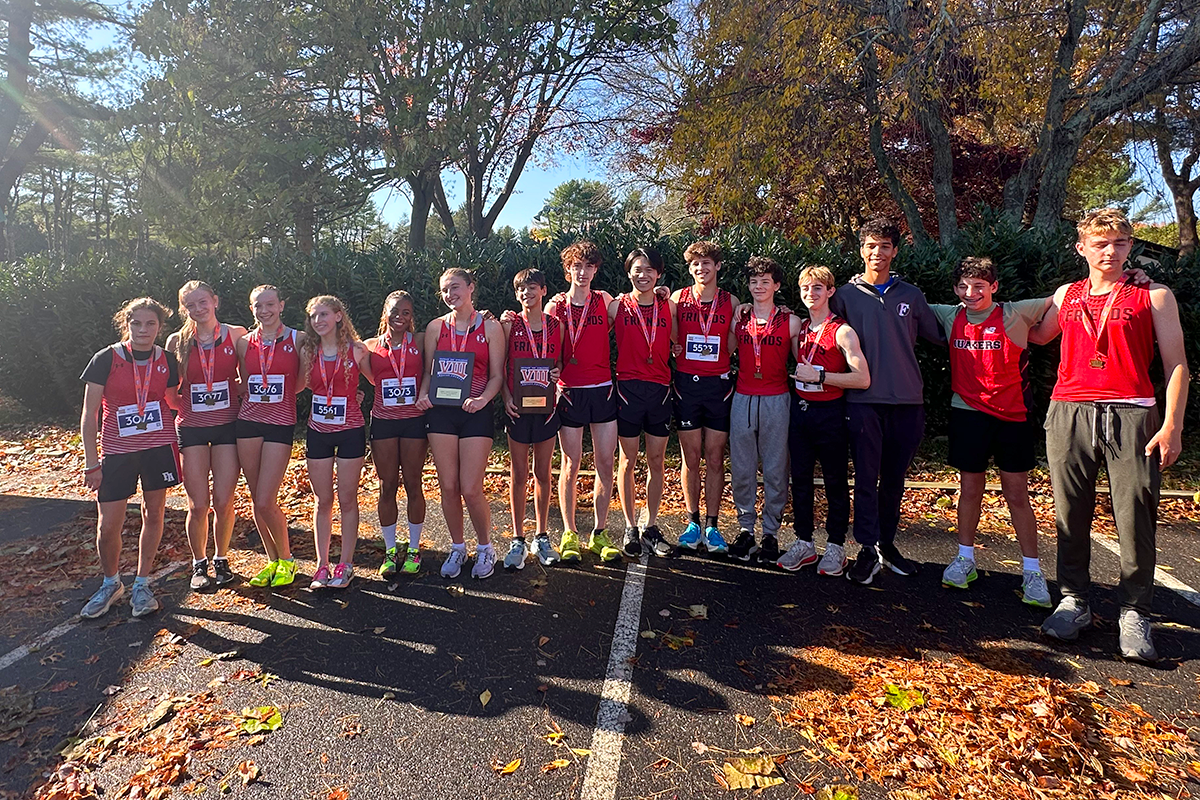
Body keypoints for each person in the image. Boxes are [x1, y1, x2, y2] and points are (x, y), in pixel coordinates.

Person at [1034, 208, 1189, 662]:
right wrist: (985, 308)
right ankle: (1073, 600)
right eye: (1100, 243)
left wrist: (1172, 424)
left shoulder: (1153, 295)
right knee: (1069, 512)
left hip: (1132, 412)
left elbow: (1177, 364)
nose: (1110, 251)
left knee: (1135, 514)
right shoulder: (1066, 294)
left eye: (1119, 243)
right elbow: (1038, 335)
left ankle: (1135, 611)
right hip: (1070, 410)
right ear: (1081, 247)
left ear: (1130, 247)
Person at [927, 257, 1052, 607]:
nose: (971, 292)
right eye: (964, 286)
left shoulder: (1016, 313)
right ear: (955, 289)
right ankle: (965, 559)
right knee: (970, 489)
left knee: (1017, 494)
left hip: (1012, 416)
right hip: (968, 414)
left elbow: (1063, 296)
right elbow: (903, 305)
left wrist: (1130, 276)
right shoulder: (950, 315)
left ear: (994, 286)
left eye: (979, 286)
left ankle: (1032, 571)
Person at [830, 218, 945, 585]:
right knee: (866, 478)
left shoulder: (911, 295)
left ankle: (887, 545)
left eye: (884, 246)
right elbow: (819, 327)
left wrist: (990, 313)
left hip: (908, 402)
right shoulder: (843, 296)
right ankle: (866, 548)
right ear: (861, 250)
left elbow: (942, 333)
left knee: (894, 480)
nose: (876, 252)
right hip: (863, 402)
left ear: (895, 251)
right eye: (870, 245)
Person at [79, 298, 181, 618]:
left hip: (158, 446)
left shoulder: (167, 359)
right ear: (126, 324)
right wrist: (92, 463)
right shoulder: (106, 358)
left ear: (159, 327)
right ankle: (111, 583)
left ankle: (141, 583)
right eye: (136, 323)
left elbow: (173, 401)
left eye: (150, 324)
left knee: (154, 514)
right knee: (108, 525)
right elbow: (89, 414)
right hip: (117, 451)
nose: (143, 330)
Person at [777, 266, 870, 576]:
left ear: (830, 291)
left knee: (834, 481)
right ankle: (804, 541)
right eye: (805, 288)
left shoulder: (842, 331)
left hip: (830, 413)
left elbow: (862, 378)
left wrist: (821, 377)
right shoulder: (800, 327)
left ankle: (836, 546)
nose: (811, 293)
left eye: (817, 288)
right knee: (800, 480)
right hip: (801, 412)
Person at [417, 268, 506, 580]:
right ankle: (457, 547)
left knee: (470, 487)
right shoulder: (435, 327)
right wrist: (423, 394)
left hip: (475, 411)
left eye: (455, 287)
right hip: (442, 412)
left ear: (471, 288)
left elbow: (497, 375)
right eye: (444, 289)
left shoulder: (490, 327)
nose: (449, 294)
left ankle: (485, 546)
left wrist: (483, 400)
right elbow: (429, 372)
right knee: (449, 486)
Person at [167, 281, 247, 591]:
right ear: (183, 309)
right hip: (192, 427)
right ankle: (198, 562)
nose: (198, 309)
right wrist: (190, 408)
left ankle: (221, 558)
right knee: (198, 504)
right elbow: (170, 392)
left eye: (203, 302)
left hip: (227, 425)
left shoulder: (236, 334)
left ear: (215, 300)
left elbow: (248, 379)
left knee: (224, 501)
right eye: (190, 305)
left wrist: (229, 393)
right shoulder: (177, 340)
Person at [545, 242, 621, 563]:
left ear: (595, 270)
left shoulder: (605, 300)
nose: (583, 272)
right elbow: (540, 339)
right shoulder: (555, 306)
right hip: (570, 390)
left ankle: (600, 532)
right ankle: (569, 532)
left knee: (606, 463)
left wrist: (660, 294)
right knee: (570, 463)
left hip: (602, 389)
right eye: (577, 266)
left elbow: (636, 308)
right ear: (568, 269)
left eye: (589, 266)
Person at [728, 257, 803, 563]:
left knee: (775, 469)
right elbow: (723, 352)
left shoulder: (791, 322)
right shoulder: (739, 319)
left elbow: (804, 361)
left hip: (776, 398)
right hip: (743, 397)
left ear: (777, 285)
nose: (759, 286)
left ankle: (771, 533)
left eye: (765, 281)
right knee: (742, 468)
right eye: (753, 282)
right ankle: (746, 529)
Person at [607, 248, 677, 558]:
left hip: (660, 390)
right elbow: (582, 314)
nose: (643, 274)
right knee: (627, 461)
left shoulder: (669, 305)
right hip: (628, 390)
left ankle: (651, 525)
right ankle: (630, 526)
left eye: (650, 269)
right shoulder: (617, 306)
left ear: (658, 274)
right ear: (628, 273)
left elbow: (681, 339)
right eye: (637, 269)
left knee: (656, 461)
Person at [671, 241, 739, 555]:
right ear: (690, 268)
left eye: (707, 263)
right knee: (691, 457)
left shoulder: (731, 301)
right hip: (687, 384)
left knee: (714, 457)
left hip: (718, 386)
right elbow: (671, 333)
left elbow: (732, 342)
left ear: (717, 266)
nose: (701, 268)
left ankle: (712, 524)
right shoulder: (678, 298)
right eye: (696, 264)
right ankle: (692, 522)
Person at [300, 295, 372, 590]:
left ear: (339, 316)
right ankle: (321, 565)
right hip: (318, 430)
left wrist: (357, 394)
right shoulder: (308, 351)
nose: (318, 321)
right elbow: (301, 384)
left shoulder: (357, 350)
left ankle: (346, 563)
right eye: (314, 316)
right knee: (322, 500)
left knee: (347, 498)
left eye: (324, 314)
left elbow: (378, 379)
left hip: (350, 430)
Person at [235, 285, 303, 589]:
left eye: (270, 305)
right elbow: (244, 380)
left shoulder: (298, 338)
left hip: (280, 423)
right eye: (258, 306)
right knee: (256, 498)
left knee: (266, 499)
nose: (264, 311)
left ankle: (287, 559)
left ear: (281, 305)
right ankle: (272, 560)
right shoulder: (244, 343)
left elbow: (303, 380)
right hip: (248, 421)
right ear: (251, 309)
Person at [501, 269, 564, 570]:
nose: (527, 293)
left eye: (533, 287)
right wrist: (506, 398)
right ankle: (517, 538)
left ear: (544, 290)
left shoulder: (556, 325)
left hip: (546, 408)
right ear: (516, 294)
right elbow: (500, 366)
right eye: (522, 289)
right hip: (518, 407)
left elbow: (559, 361)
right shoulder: (509, 324)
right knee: (519, 473)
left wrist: (557, 372)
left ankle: (541, 535)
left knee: (543, 472)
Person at [364, 291, 429, 578]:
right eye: (394, 311)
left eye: (406, 312)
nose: (399, 317)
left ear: (411, 316)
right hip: (384, 422)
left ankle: (414, 549)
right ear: (385, 313)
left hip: (414, 421)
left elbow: (453, 330)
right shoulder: (370, 346)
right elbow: (371, 378)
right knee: (387, 485)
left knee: (414, 484)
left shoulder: (422, 340)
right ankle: (390, 551)